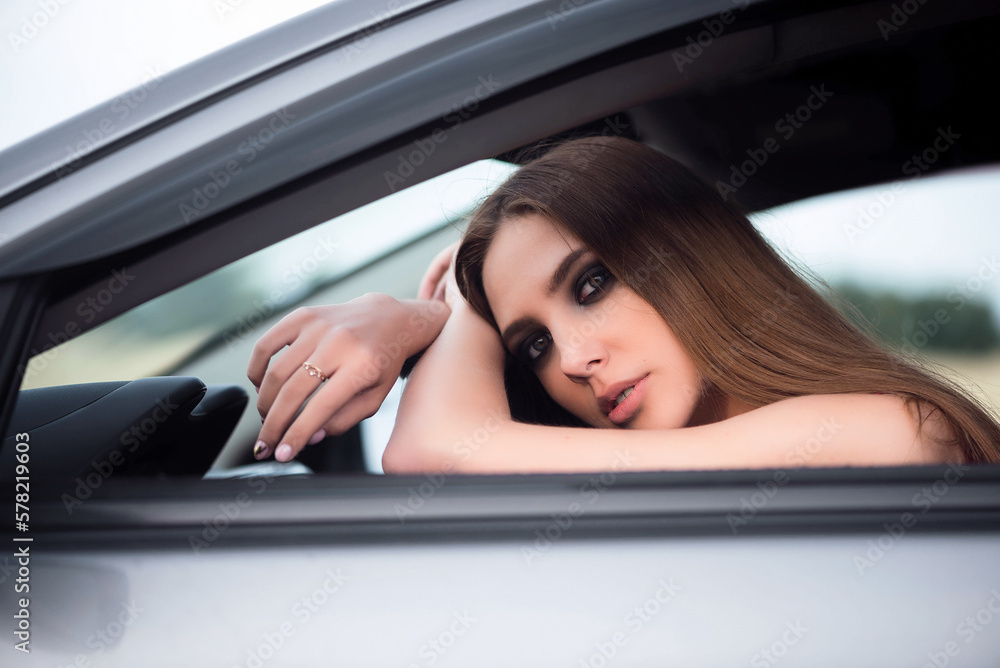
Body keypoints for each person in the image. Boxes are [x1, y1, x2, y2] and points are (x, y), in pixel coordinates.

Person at [247, 136, 1000, 472]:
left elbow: (429, 450)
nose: (575, 361)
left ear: (693, 254)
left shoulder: (898, 431)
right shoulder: (647, 480)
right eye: (531, 347)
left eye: (591, 285)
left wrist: (446, 308)